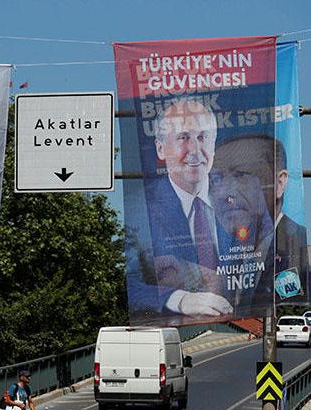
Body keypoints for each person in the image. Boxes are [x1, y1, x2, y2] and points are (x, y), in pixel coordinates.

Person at [126, 99, 273, 320]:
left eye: (203, 138)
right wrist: (179, 299)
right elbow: (129, 284)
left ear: (213, 147)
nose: (195, 151)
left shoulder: (243, 201)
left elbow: (266, 259)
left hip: (239, 327)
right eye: (183, 138)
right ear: (160, 148)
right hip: (174, 331)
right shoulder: (137, 209)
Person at [214, 135, 308, 303]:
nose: (223, 193)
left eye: (240, 175)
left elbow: (291, 306)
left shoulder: (298, 246)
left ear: (279, 183)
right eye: (217, 179)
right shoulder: (221, 256)